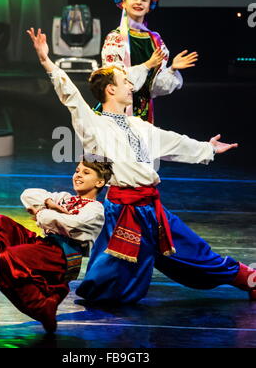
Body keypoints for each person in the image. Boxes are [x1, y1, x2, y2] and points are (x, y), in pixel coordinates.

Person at [27, 27, 256, 305]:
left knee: (190, 250)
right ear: (111, 89)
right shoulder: (95, 126)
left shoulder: (138, 125)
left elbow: (173, 143)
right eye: (125, 81)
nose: (131, 86)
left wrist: (207, 148)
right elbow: (71, 97)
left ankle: (245, 278)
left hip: (151, 206)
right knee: (111, 275)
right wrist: (46, 62)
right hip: (124, 210)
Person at [0, 158, 113, 333]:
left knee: (7, 258)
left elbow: (70, 224)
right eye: (77, 170)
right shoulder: (64, 198)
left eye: (86, 172)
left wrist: (41, 213)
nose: (78, 175)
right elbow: (28, 194)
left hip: (62, 255)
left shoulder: (95, 210)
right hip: (44, 244)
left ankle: (43, 309)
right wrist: (48, 203)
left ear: (100, 182)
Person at [99, 0, 198, 123]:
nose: (139, 2)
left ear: (149, 5)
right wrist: (147, 65)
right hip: (116, 112)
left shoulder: (155, 40)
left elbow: (154, 89)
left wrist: (172, 69)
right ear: (123, 2)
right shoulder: (115, 38)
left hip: (144, 113)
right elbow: (112, 80)